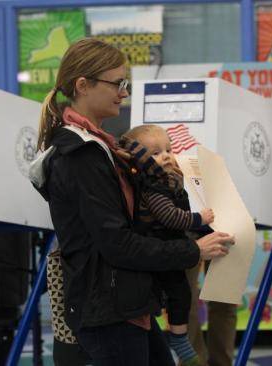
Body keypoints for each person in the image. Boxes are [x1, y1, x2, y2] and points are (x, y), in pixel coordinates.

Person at [29, 38, 234, 366]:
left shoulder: (102, 146)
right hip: (108, 311)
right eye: (117, 83)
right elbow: (117, 244)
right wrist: (194, 250)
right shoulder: (81, 156)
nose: (124, 92)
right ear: (83, 85)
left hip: (125, 303)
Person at [119, 125, 215, 366]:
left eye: (169, 149)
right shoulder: (153, 187)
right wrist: (198, 218)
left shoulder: (167, 179)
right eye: (155, 153)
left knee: (181, 293)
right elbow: (170, 217)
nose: (166, 156)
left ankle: (178, 336)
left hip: (169, 246)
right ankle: (179, 337)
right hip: (160, 249)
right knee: (178, 293)